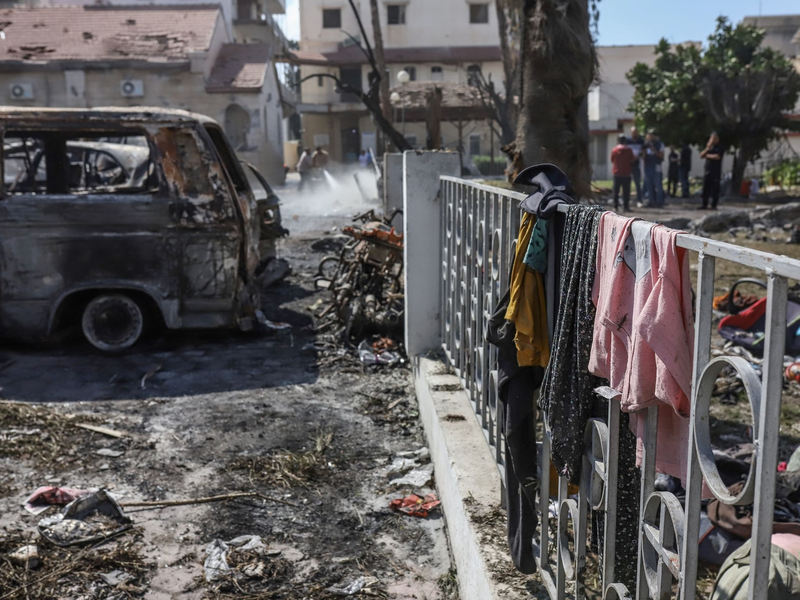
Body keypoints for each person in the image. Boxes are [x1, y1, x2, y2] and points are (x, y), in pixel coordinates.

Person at [700, 132, 724, 210]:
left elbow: (717, 157)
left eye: (714, 138)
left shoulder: (720, 147)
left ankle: (714, 205)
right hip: (708, 170)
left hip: (716, 171)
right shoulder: (710, 148)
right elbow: (701, 155)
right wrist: (707, 148)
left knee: (715, 189)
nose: (713, 140)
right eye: (711, 138)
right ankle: (704, 204)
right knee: (705, 188)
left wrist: (707, 156)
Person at [610, 134, 634, 212]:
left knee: (616, 191)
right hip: (626, 173)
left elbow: (612, 160)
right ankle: (625, 207)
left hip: (617, 173)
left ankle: (615, 206)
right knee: (626, 191)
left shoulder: (614, 150)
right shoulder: (629, 150)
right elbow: (632, 159)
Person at [643, 130, 665, 207]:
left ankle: (660, 202)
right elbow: (643, 157)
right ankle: (651, 201)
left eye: (651, 135)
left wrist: (654, 150)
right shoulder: (646, 145)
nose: (649, 137)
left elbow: (661, 156)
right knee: (649, 185)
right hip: (648, 167)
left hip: (656, 166)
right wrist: (644, 151)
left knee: (658, 185)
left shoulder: (660, 144)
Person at [627, 126, 645, 205]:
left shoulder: (641, 141)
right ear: (631, 133)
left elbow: (643, 151)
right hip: (628, 165)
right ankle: (627, 199)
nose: (634, 134)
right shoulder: (627, 141)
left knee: (638, 183)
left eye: (636, 132)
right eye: (633, 132)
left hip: (637, 164)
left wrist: (636, 157)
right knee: (627, 183)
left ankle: (639, 200)